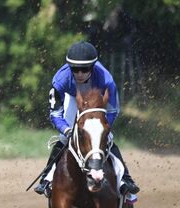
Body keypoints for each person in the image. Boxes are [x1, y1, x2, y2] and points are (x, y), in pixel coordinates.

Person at [33, 41, 140, 198]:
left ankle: (125, 180)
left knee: (108, 138)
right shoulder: (60, 80)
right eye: (75, 69)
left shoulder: (106, 80)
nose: (80, 74)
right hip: (72, 99)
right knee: (64, 138)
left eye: (85, 69)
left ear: (93, 66)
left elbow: (113, 110)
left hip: (96, 105)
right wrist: (67, 129)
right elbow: (55, 113)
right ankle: (46, 178)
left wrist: (103, 129)